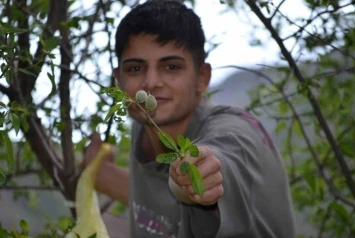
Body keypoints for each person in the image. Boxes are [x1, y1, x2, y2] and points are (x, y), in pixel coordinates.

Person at [84, 0, 296, 237]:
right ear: (118, 80)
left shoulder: (237, 131)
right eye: (135, 68)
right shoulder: (145, 127)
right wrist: (101, 174)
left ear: (202, 77)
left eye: (172, 67)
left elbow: (219, 163)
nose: (151, 81)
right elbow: (163, 206)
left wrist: (197, 178)